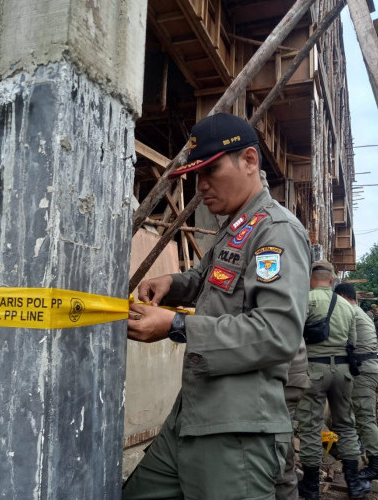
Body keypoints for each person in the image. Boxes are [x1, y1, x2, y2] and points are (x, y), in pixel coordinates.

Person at [123, 113, 311, 500]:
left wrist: (175, 325)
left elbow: (277, 334)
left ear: (250, 161)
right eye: (196, 175)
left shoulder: (276, 231)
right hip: (193, 414)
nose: (201, 186)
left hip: (237, 427)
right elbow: (210, 282)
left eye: (210, 171)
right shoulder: (239, 225)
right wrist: (171, 284)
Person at [296, 261, 371, 500]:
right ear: (332, 280)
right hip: (343, 371)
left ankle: (310, 487)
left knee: (310, 427)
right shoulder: (349, 308)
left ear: (311, 279)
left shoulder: (306, 301)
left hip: (314, 370)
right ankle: (354, 483)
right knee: (346, 426)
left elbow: (294, 337)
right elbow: (353, 342)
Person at [335, 283, 378, 482]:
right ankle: (360, 452)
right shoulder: (360, 312)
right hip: (369, 367)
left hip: (364, 369)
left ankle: (375, 467)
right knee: (359, 416)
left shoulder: (348, 311)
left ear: (342, 296)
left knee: (365, 418)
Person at [275, 340, 311, 500]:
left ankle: (307, 487)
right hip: (296, 373)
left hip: (286, 375)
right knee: (284, 437)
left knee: (279, 442)